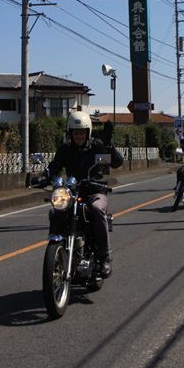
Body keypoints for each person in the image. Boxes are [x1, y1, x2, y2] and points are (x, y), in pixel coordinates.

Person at [47, 112, 123, 277]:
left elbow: (117, 162)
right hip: (72, 193)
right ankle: (56, 249)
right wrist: (44, 175)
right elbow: (55, 166)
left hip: (95, 191)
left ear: (88, 132)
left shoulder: (97, 147)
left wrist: (109, 146)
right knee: (56, 210)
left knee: (97, 209)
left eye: (82, 132)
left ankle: (104, 257)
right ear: (70, 133)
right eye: (76, 133)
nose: (79, 136)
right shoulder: (66, 149)